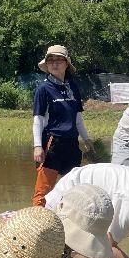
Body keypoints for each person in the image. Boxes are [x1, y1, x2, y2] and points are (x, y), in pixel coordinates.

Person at [31, 45, 93, 207]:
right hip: (52, 144)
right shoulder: (43, 89)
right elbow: (38, 120)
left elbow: (77, 117)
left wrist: (86, 139)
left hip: (72, 144)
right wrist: (38, 146)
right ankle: (35, 225)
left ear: (66, 64)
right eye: (50, 60)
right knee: (43, 191)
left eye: (59, 60)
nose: (54, 63)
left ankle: (67, 224)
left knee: (71, 189)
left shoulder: (72, 87)